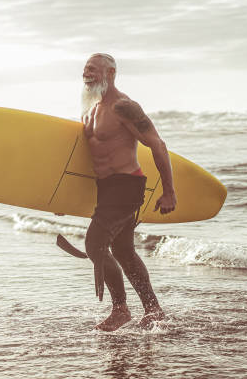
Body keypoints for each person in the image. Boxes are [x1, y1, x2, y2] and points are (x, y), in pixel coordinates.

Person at [80, 53, 176, 331]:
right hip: (106, 188)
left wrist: (169, 191)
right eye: (85, 68)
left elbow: (157, 145)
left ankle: (120, 309)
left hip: (126, 185)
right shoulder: (90, 109)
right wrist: (62, 196)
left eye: (94, 69)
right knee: (122, 250)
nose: (87, 72)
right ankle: (153, 309)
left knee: (94, 245)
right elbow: (86, 159)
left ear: (111, 73)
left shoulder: (124, 107)